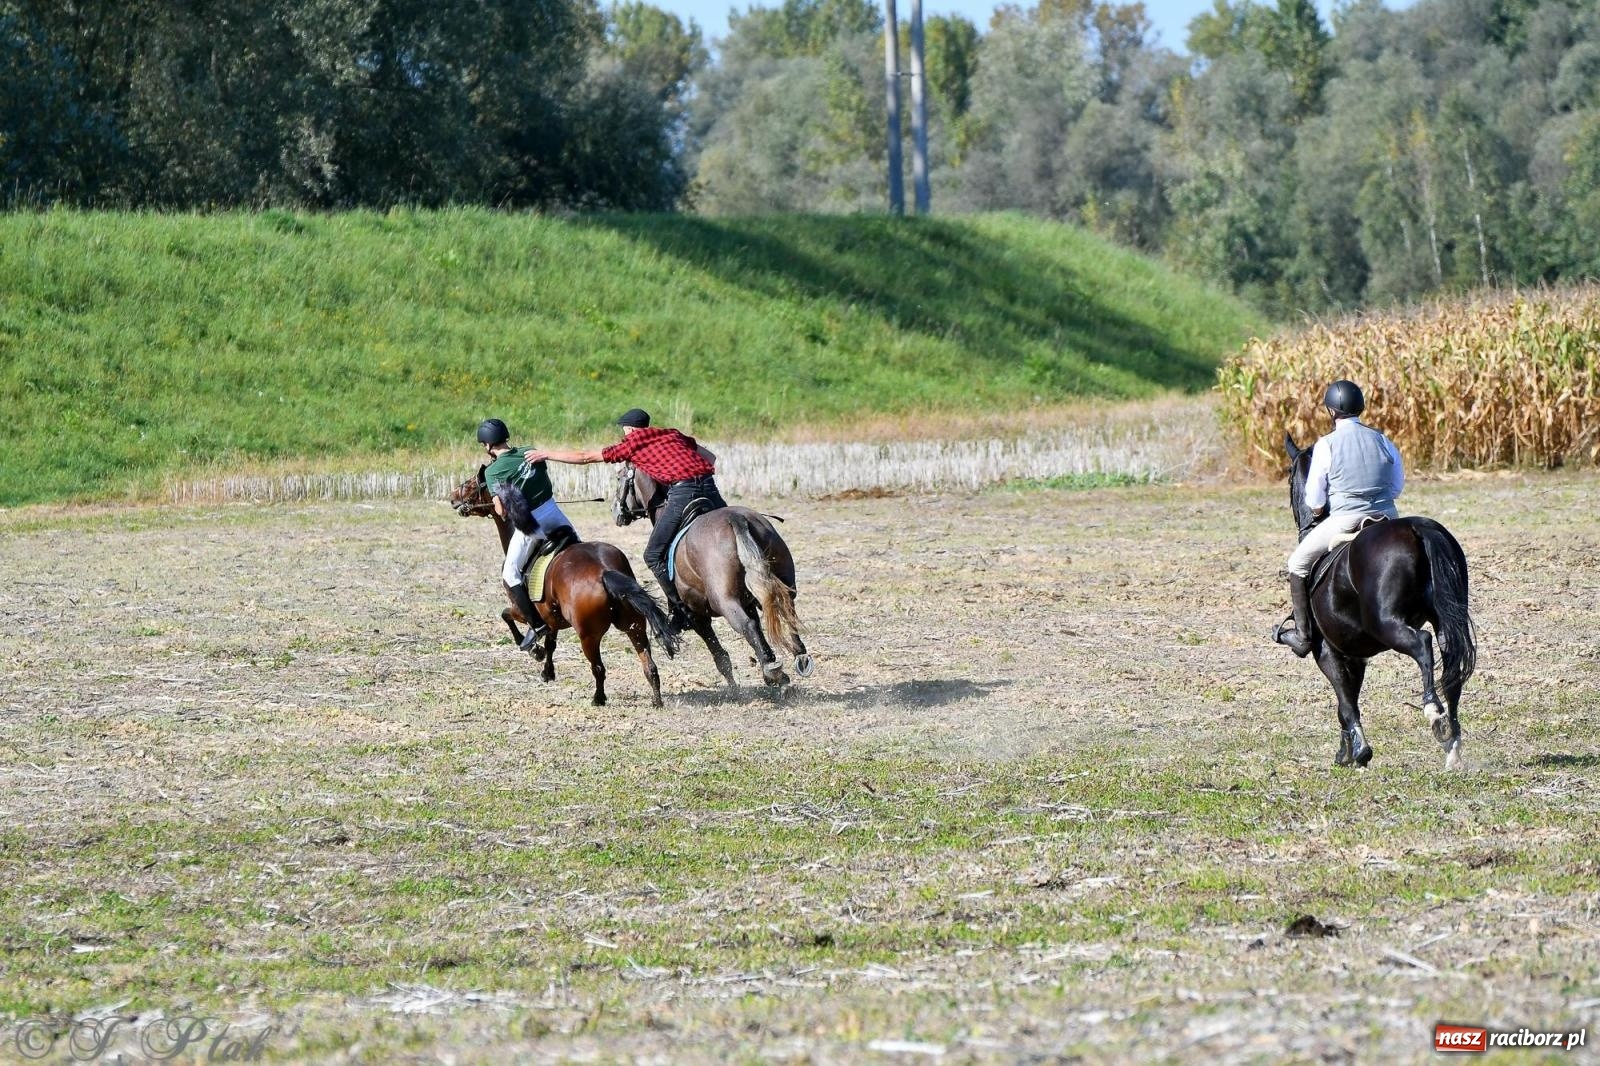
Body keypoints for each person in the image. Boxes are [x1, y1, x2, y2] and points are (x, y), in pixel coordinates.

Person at [524, 408, 723, 630]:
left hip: (683, 493)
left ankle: (681, 612)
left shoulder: (632, 444)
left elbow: (585, 457)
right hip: (710, 488)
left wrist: (546, 454)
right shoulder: (672, 434)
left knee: (654, 555)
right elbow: (710, 458)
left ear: (628, 429)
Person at [1276, 380, 1405, 657]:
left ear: (1331, 412)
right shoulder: (1383, 439)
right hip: (1387, 519)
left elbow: (1314, 498)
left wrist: (1318, 512)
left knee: (1296, 564)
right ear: (1360, 407)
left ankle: (1302, 636)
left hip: (1346, 518)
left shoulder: (1326, 445)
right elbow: (1396, 487)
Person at [477, 418, 578, 652]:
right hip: (554, 511)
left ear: (487, 445)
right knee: (576, 549)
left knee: (510, 573)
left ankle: (537, 625)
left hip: (532, 523)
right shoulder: (528, 451)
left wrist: (504, 509)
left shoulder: (492, 471)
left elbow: (501, 509)